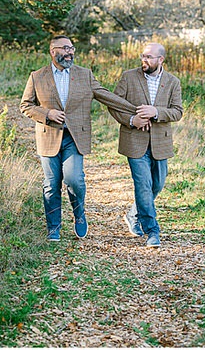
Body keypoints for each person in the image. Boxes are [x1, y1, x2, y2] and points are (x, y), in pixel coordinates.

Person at [21, 35, 138, 242]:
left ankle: (79, 214)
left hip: (75, 137)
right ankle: (54, 227)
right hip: (49, 136)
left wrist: (135, 111)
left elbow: (106, 96)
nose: (70, 52)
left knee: (74, 179)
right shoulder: (37, 76)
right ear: (53, 51)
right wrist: (47, 114)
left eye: (72, 48)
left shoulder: (85, 75)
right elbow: (26, 106)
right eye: (65, 48)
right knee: (51, 183)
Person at [107, 42, 183, 248]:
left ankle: (134, 213)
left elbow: (177, 111)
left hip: (161, 143)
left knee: (157, 184)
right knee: (143, 184)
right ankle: (152, 231)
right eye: (143, 56)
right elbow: (113, 104)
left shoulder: (173, 82)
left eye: (149, 57)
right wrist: (132, 120)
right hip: (134, 141)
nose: (144, 60)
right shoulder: (128, 77)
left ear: (161, 60)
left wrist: (156, 112)